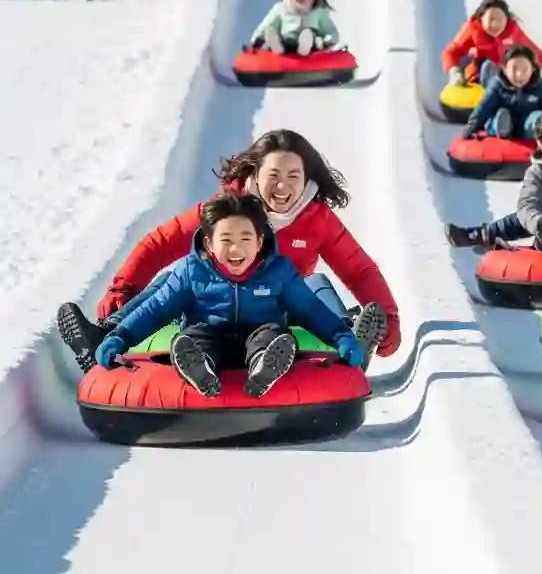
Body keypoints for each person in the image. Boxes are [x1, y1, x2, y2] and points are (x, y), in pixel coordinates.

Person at [56, 129, 400, 373]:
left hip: (281, 305)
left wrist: (389, 318)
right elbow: (161, 243)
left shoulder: (316, 218)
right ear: (255, 173)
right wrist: (123, 288)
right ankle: (105, 333)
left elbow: (358, 269)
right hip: (214, 307)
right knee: (176, 277)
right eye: (274, 175)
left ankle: (352, 339)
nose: (283, 186)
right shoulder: (225, 211)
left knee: (316, 282)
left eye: (294, 176)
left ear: (307, 179)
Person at [94, 193, 365, 399]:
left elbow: (309, 309)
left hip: (260, 334)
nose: (236, 249)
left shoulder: (278, 271)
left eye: (245, 239)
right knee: (193, 338)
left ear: (259, 242)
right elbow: (156, 308)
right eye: (226, 240)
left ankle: (265, 365)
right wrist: (121, 336)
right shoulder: (191, 270)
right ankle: (199, 367)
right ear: (210, 244)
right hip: (210, 335)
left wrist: (340, 336)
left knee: (272, 334)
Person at [445, 104, 542, 267]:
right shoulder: (538, 173)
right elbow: (527, 206)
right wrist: (541, 222)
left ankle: (482, 234)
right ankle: (486, 235)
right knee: (527, 217)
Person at [442, 0, 542, 88]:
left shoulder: (512, 32)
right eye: (491, 19)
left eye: (500, 20)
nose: (495, 24)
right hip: (478, 77)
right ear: (481, 19)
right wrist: (455, 72)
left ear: (506, 20)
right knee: (488, 65)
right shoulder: (472, 30)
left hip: (506, 76)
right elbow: (451, 51)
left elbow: (533, 51)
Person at [462, 44, 542, 141]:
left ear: (533, 70)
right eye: (514, 69)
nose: (519, 75)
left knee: (538, 116)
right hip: (504, 120)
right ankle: (501, 128)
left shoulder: (539, 85)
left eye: (524, 70)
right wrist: (469, 130)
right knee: (500, 115)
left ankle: (535, 131)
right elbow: (483, 109)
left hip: (526, 124)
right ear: (505, 69)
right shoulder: (497, 85)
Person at [249, 0, 340, 56]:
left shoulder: (317, 12)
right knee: (272, 30)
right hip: (286, 39)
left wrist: (327, 42)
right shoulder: (281, 8)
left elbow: (331, 31)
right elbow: (268, 23)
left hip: (311, 44)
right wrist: (257, 40)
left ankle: (304, 49)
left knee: (309, 34)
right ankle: (278, 48)